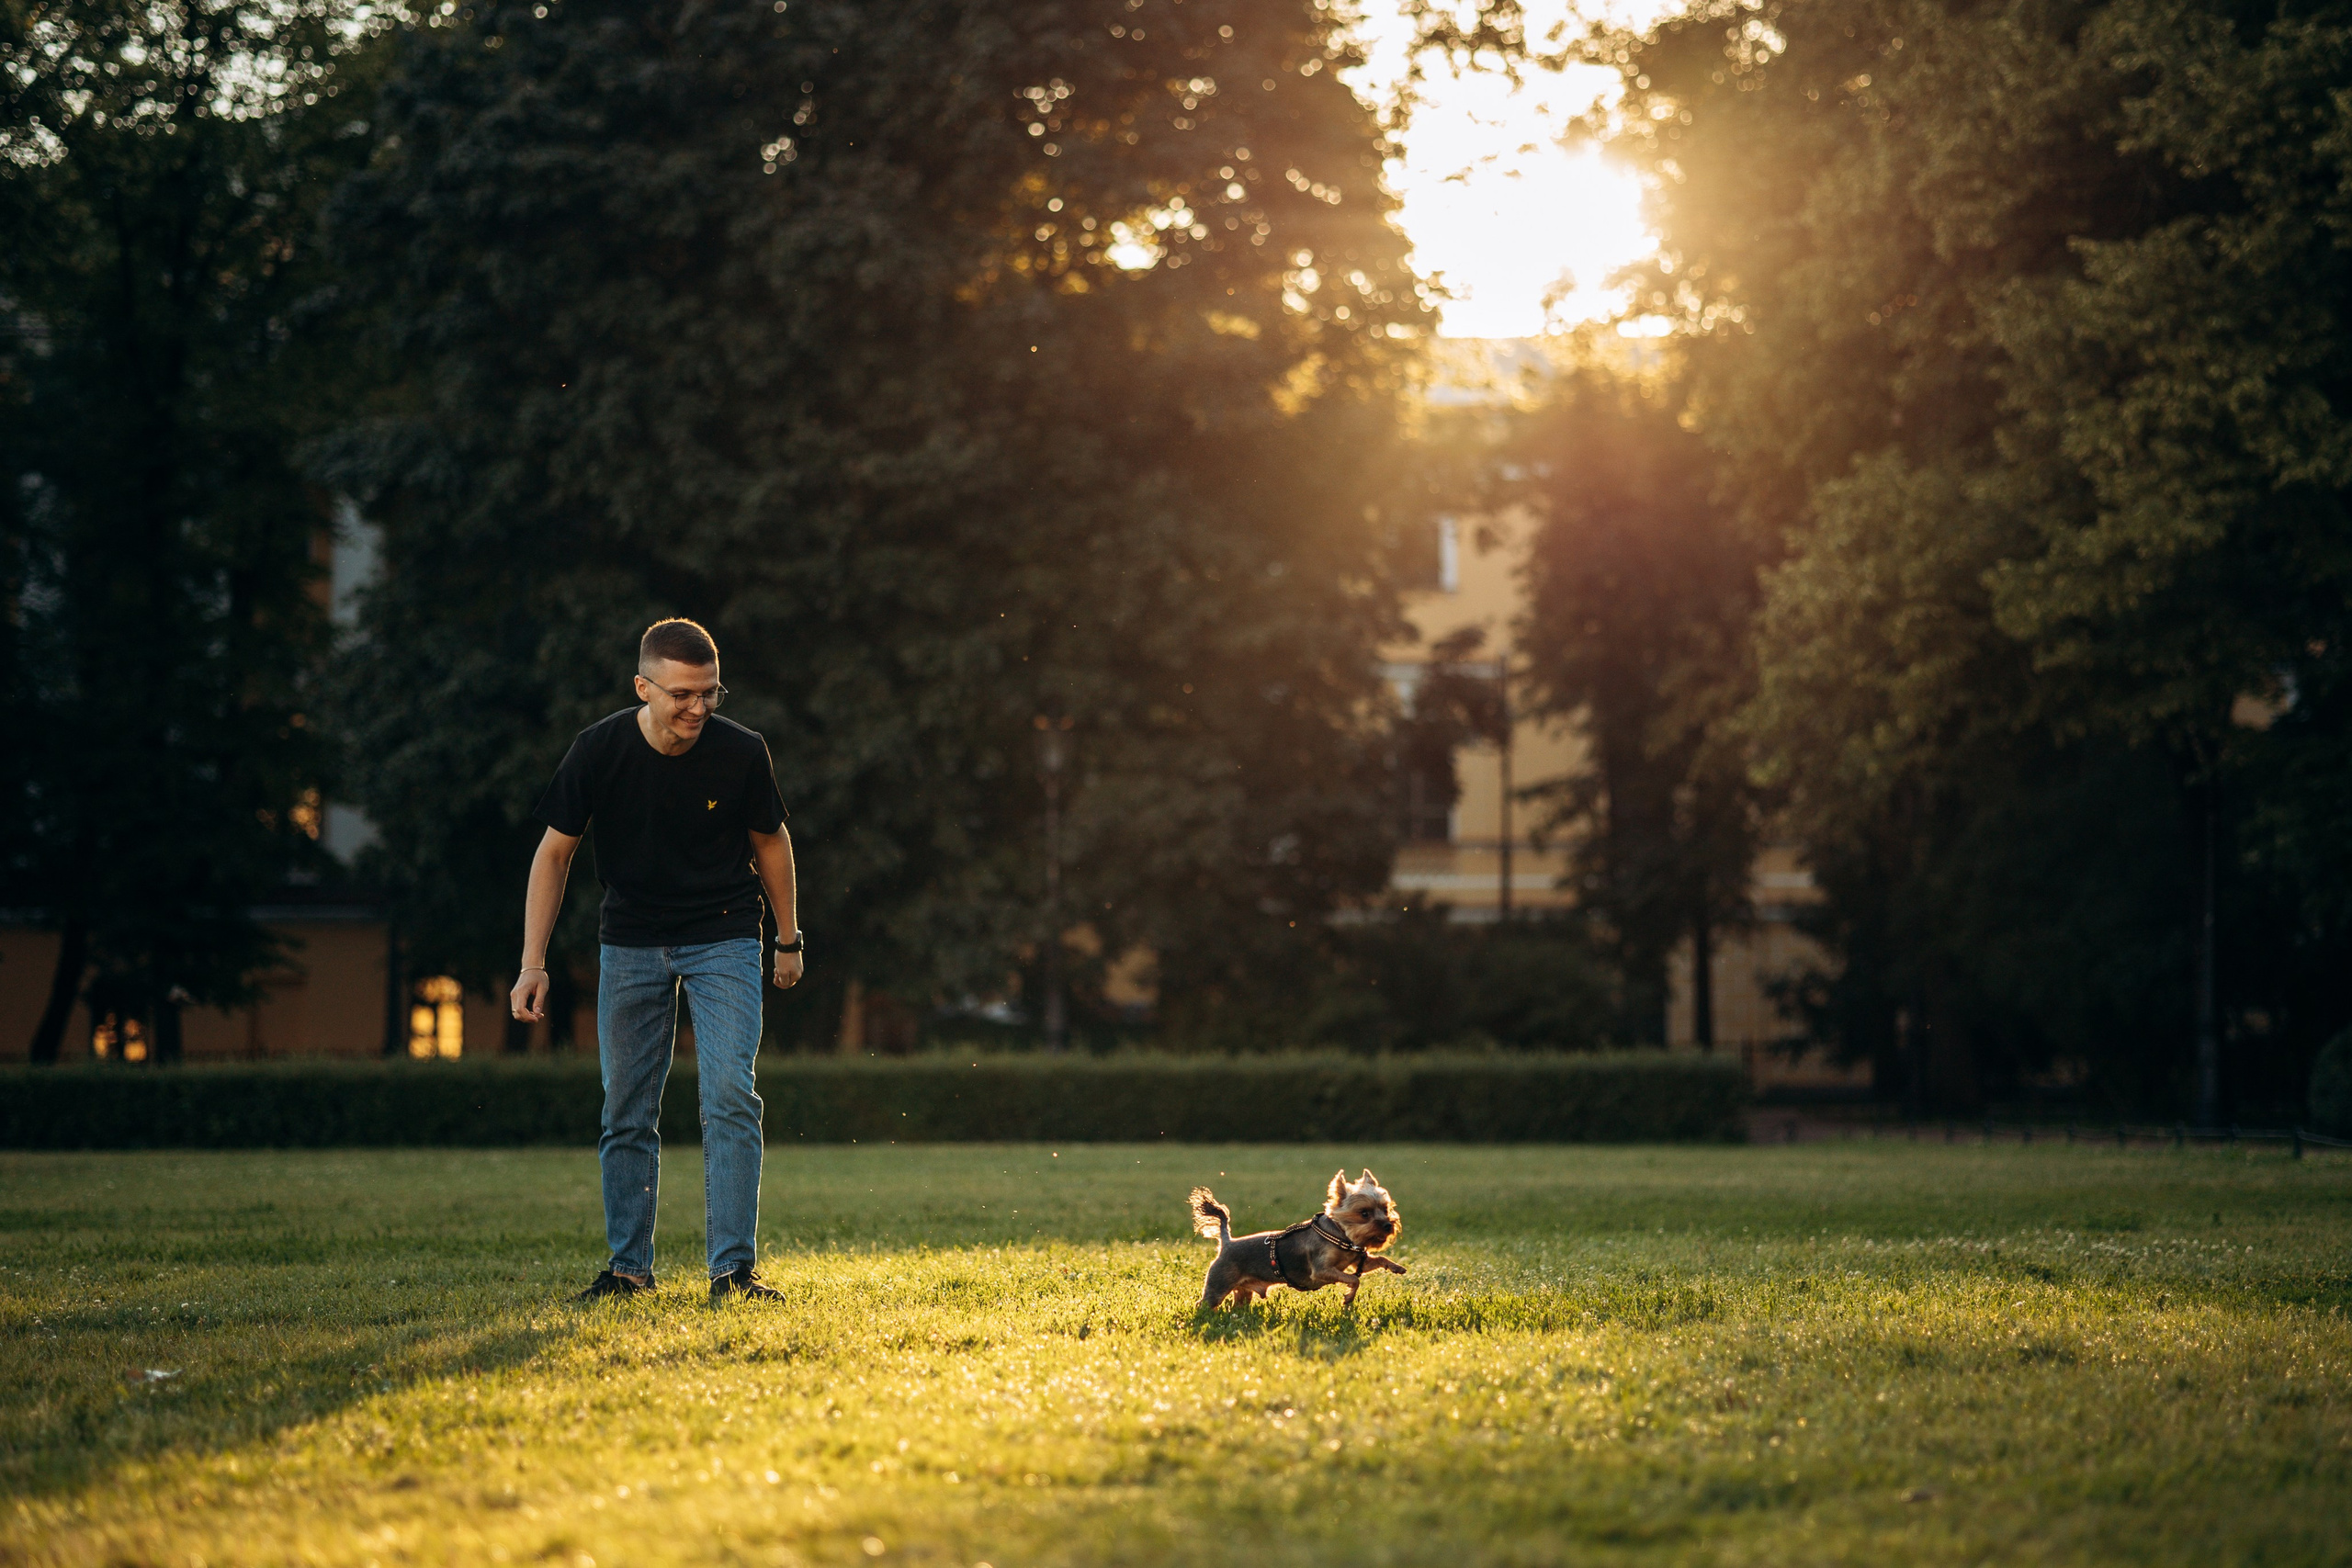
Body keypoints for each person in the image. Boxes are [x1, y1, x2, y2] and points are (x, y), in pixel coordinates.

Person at [510, 617, 804, 1303]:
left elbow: (772, 841)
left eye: (708, 692)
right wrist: (533, 962)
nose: (697, 707)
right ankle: (627, 1271)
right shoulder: (598, 750)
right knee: (626, 1108)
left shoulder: (741, 752)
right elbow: (553, 854)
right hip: (631, 938)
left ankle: (733, 1272)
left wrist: (788, 939)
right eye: (680, 694)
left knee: (730, 1092)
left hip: (725, 932)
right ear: (643, 686)